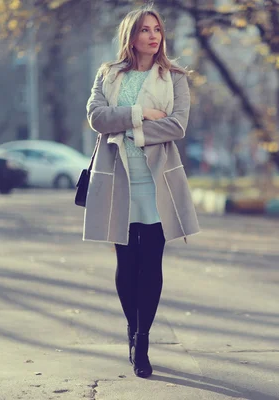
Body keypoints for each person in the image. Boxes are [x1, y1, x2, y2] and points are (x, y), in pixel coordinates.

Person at [83, 6, 200, 378]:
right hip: (118, 178)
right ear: (131, 37)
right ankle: (131, 331)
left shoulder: (174, 77)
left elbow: (177, 125)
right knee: (125, 264)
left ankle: (143, 340)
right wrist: (140, 114)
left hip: (156, 180)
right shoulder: (109, 74)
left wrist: (133, 129)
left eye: (158, 30)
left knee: (151, 264)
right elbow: (96, 117)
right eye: (145, 30)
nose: (154, 36)